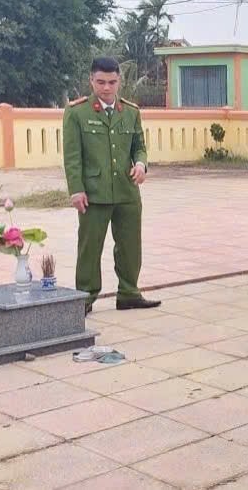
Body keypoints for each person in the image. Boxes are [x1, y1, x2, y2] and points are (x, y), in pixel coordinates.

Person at [63, 57, 161, 315]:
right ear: (91, 81)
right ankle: (85, 298)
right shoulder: (77, 112)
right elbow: (72, 157)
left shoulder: (130, 111)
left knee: (130, 246)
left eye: (112, 82)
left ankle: (129, 293)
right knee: (90, 248)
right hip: (94, 193)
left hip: (127, 190)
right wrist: (76, 189)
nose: (106, 88)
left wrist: (141, 164)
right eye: (101, 82)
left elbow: (139, 147)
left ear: (119, 81)